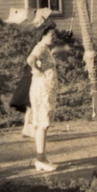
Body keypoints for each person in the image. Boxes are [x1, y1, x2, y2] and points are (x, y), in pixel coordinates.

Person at [27, 23, 59, 171]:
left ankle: (42, 158)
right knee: (43, 124)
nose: (54, 38)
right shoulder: (40, 47)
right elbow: (30, 59)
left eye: (54, 35)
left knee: (43, 124)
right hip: (42, 91)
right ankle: (40, 159)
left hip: (47, 91)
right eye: (51, 35)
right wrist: (36, 70)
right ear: (43, 36)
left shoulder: (45, 48)